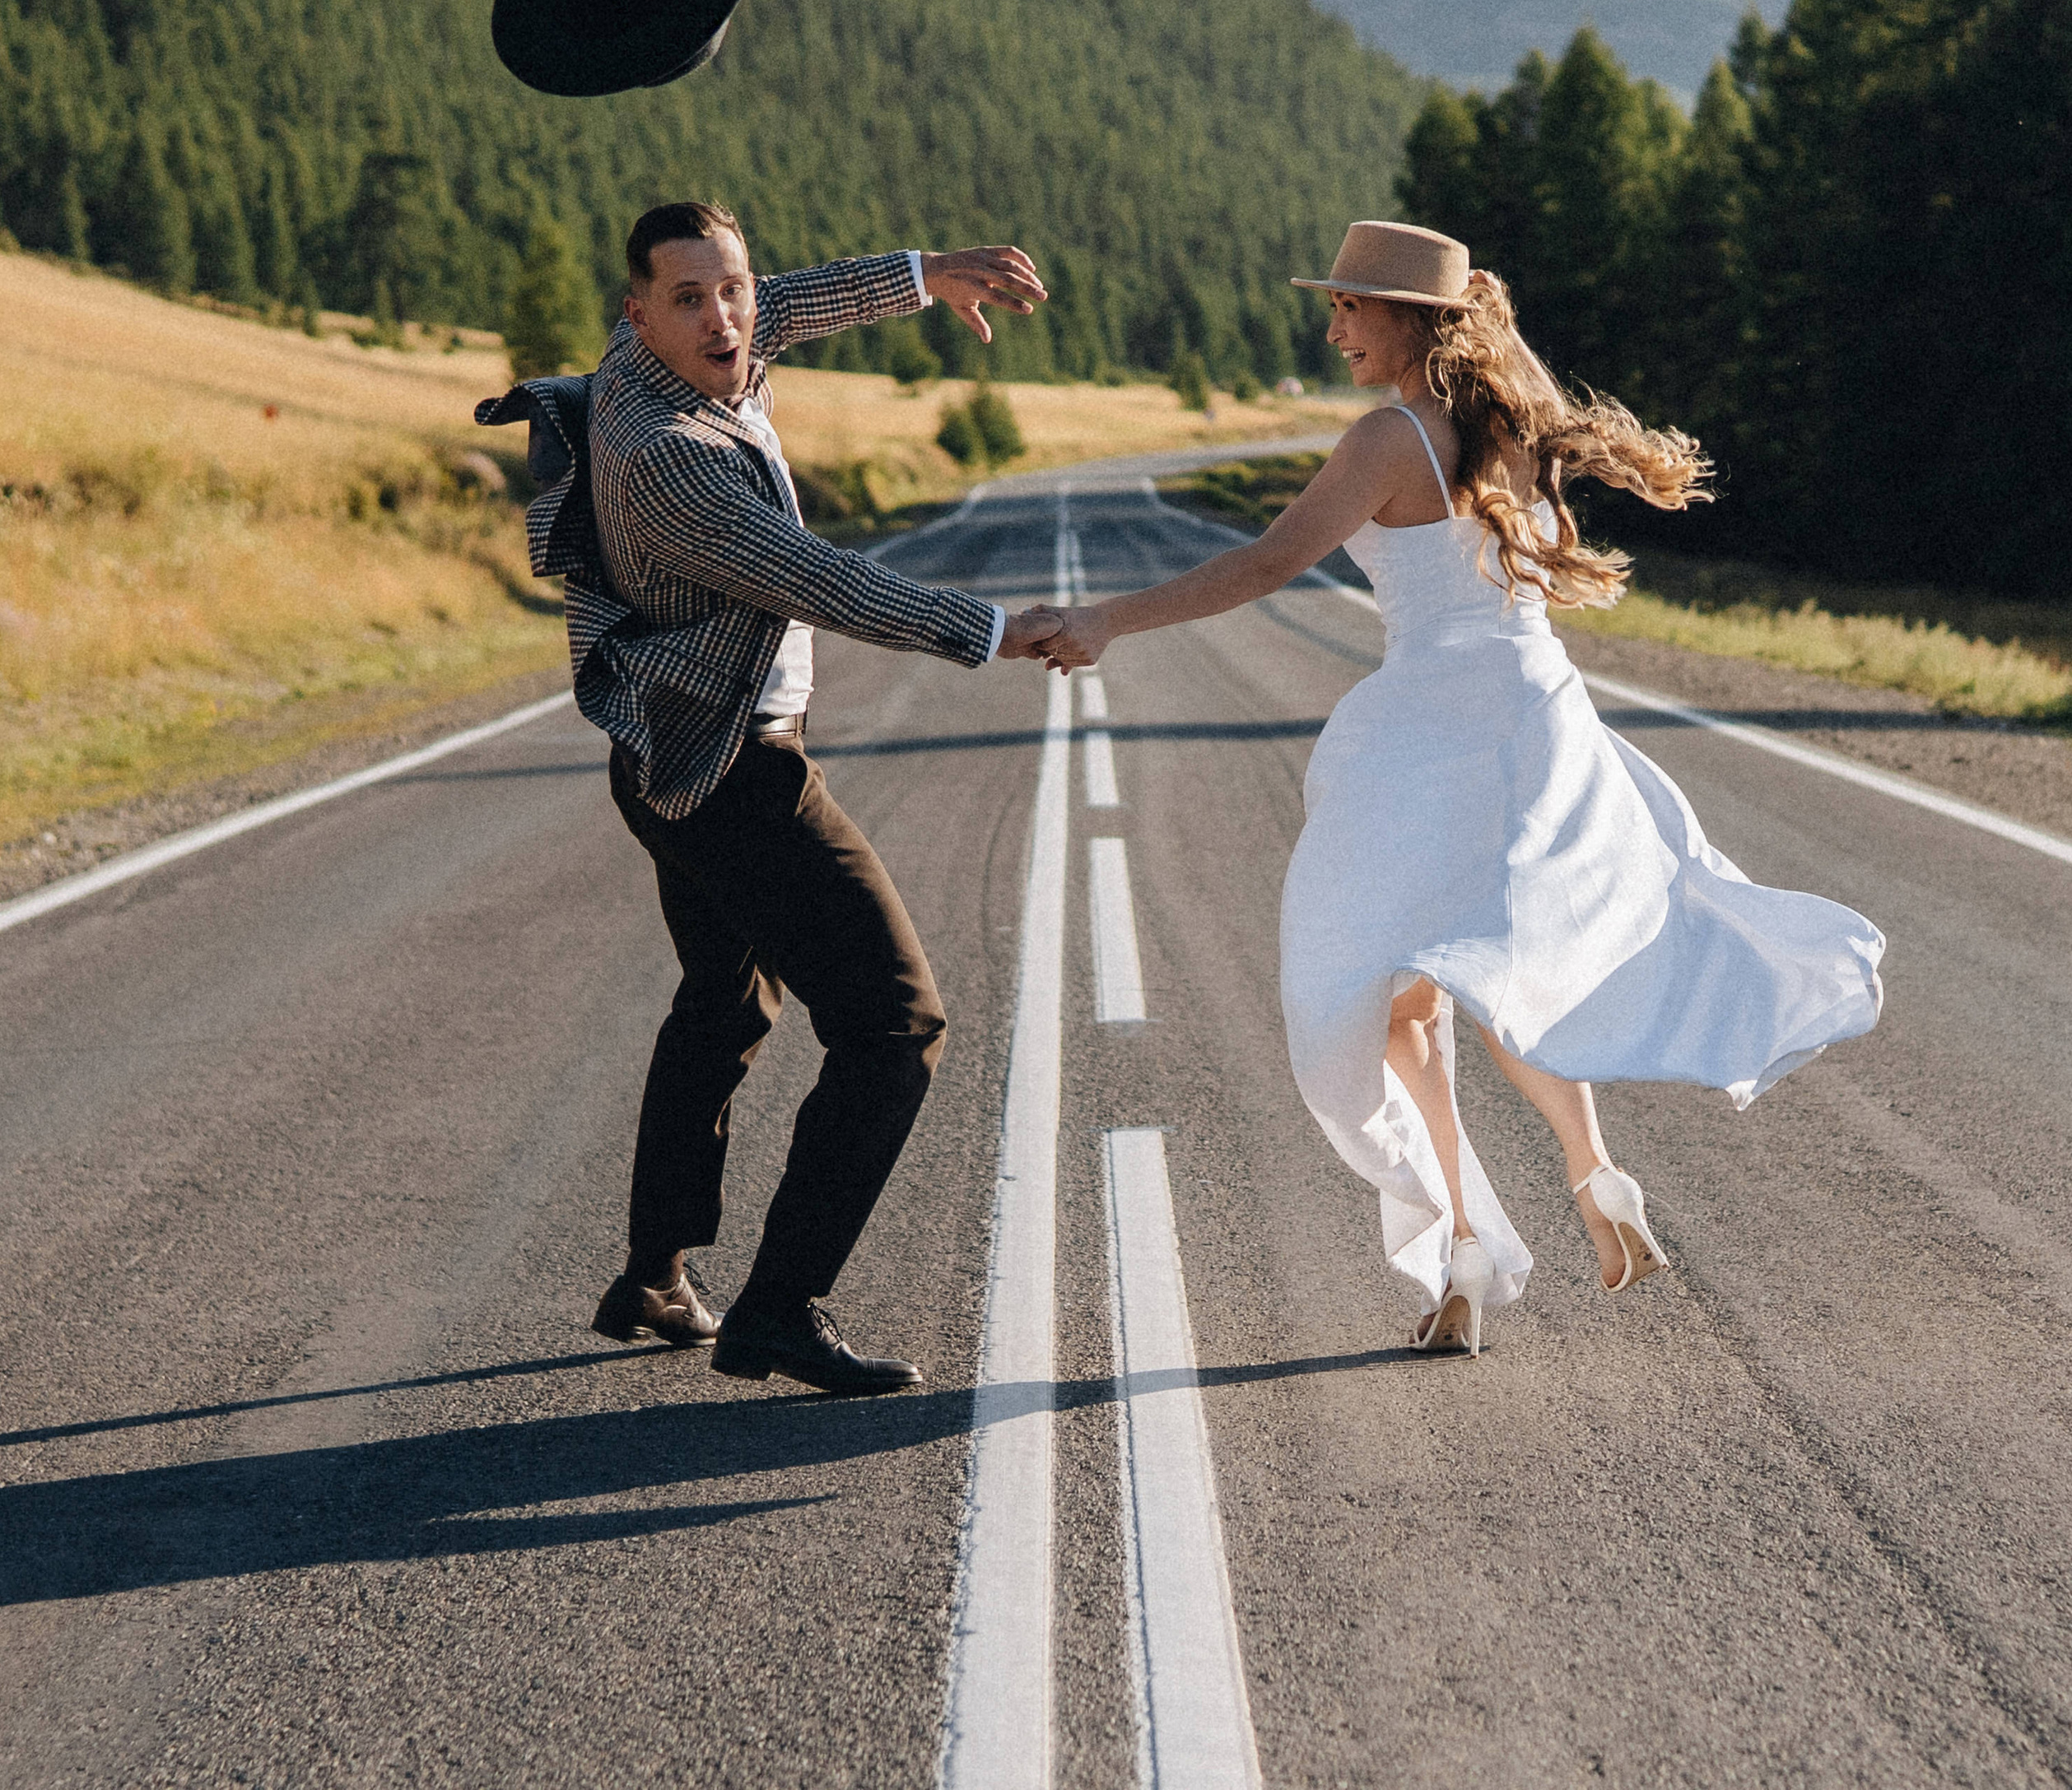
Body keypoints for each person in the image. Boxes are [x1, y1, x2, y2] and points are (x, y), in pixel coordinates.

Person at [1038, 221, 1885, 1355]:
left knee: (1390, 998)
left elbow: (1262, 565)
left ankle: (1468, 1244)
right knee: (1495, 970)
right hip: (1537, 713)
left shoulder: (1389, 439)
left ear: (1408, 319)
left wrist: (1106, 618)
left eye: (1352, 306)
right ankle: (1588, 1178)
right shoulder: (1513, 420)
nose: (1333, 324)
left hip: (1430, 732)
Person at [482, 202, 1060, 1397]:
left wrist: (926, 270)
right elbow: (818, 577)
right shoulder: (664, 458)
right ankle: (780, 1306)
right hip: (732, 769)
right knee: (896, 1023)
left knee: (724, 995)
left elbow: (795, 300)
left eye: (731, 289)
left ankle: (654, 1272)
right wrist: (999, 629)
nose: (726, 316)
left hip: (673, 750)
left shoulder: (710, 349)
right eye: (689, 299)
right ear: (634, 315)